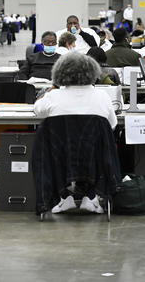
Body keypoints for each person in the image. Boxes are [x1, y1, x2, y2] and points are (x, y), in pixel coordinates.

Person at [34, 52, 117, 214]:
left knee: (51, 153)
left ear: (60, 72)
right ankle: (91, 196)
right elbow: (112, 125)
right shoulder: (102, 96)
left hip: (60, 155)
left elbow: (37, 110)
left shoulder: (54, 96)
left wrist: (51, 89)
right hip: (94, 155)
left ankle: (64, 196)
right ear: (92, 72)